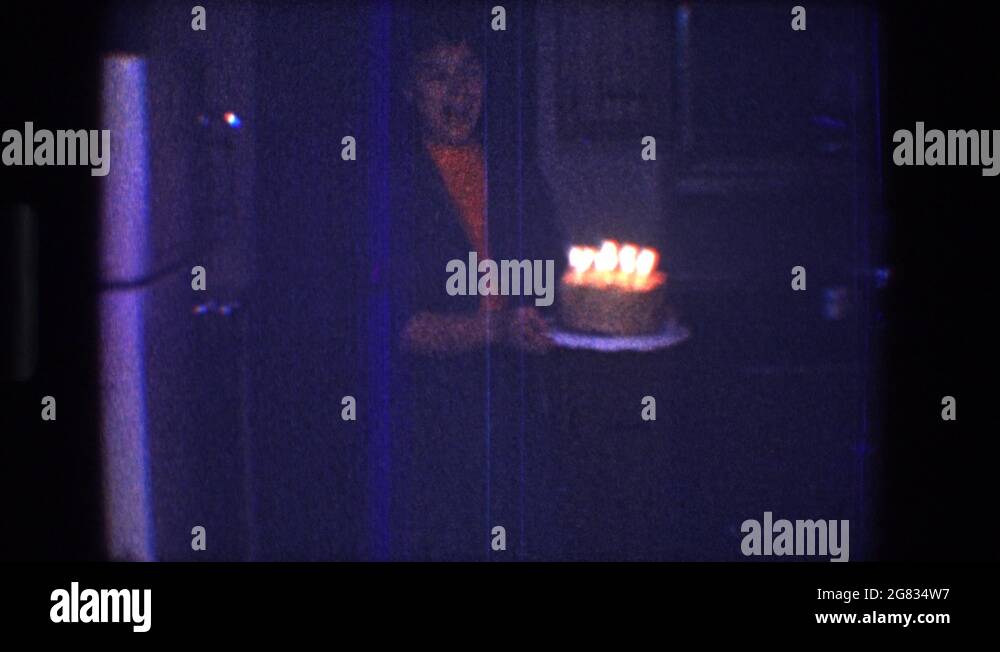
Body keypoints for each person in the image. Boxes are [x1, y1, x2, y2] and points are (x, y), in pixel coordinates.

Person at [386, 17, 565, 560]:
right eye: (439, 76)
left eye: (469, 72)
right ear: (410, 90)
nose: (459, 90)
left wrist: (624, 306)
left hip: (519, 408)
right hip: (432, 422)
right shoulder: (390, 187)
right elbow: (399, 328)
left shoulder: (514, 171)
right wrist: (496, 328)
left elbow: (552, 279)